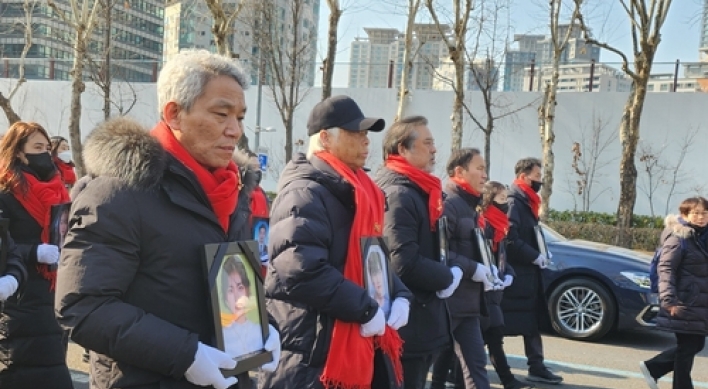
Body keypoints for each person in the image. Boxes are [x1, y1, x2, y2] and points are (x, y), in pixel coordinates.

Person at [54, 50, 281, 389]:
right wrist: (185, 355)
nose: (235, 130)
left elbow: (231, 284)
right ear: (174, 113)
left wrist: (262, 325)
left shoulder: (232, 191)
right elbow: (83, 306)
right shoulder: (118, 192)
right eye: (221, 114)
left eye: (240, 117)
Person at [260, 95, 413, 389]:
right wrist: (366, 308)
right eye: (355, 133)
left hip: (357, 340)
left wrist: (400, 293)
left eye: (366, 134)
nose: (365, 141)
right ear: (326, 138)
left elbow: (373, 258)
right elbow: (301, 269)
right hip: (314, 355)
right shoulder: (305, 192)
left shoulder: (361, 191)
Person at [375, 116, 462, 389]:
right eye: (427, 143)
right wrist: (445, 277)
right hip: (409, 324)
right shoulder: (399, 193)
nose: (434, 150)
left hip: (420, 317)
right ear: (403, 148)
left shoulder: (419, 189)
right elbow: (402, 261)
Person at [0, 121, 72, 389]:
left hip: (53, 291)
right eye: (37, 147)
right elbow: (3, 242)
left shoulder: (57, 188)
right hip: (19, 297)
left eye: (47, 147)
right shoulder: (5, 191)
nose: (45, 153)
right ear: (19, 152)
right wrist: (34, 251)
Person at [431, 148, 494, 389]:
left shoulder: (471, 206)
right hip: (446, 304)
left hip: (468, 305)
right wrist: (472, 268)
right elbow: (440, 251)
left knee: (476, 366)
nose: (485, 175)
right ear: (459, 171)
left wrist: (489, 269)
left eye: (485, 169)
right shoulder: (448, 204)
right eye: (479, 168)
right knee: (425, 365)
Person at [501, 157, 562, 384]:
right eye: (537, 177)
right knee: (499, 325)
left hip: (528, 273)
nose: (540, 182)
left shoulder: (528, 200)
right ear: (524, 176)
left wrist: (542, 252)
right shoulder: (514, 201)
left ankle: (536, 365)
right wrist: (534, 255)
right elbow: (510, 238)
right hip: (516, 273)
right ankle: (463, 365)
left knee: (532, 322)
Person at [639, 196, 708, 389]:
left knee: (695, 345)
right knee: (687, 349)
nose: (701, 217)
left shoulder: (702, 238)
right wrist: (668, 299)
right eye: (696, 213)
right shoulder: (679, 238)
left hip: (699, 304)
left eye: (704, 213)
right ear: (685, 215)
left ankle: (653, 368)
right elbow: (666, 269)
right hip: (684, 301)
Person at [479, 181, 532, 389]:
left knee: (491, 336)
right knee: (492, 335)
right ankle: (507, 380)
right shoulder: (485, 225)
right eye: (501, 199)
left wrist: (507, 273)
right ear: (489, 200)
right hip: (484, 292)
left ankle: (507, 380)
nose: (506, 204)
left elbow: (502, 257)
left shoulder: (500, 226)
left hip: (495, 291)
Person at [221, 255, 264, 358]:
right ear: (225, 298)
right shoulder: (221, 336)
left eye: (240, 288)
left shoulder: (259, 330)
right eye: (230, 290)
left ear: (247, 291)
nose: (237, 297)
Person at [367, 250, 391, 317]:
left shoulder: (390, 298)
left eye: (379, 272)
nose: (378, 279)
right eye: (374, 274)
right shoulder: (368, 301)